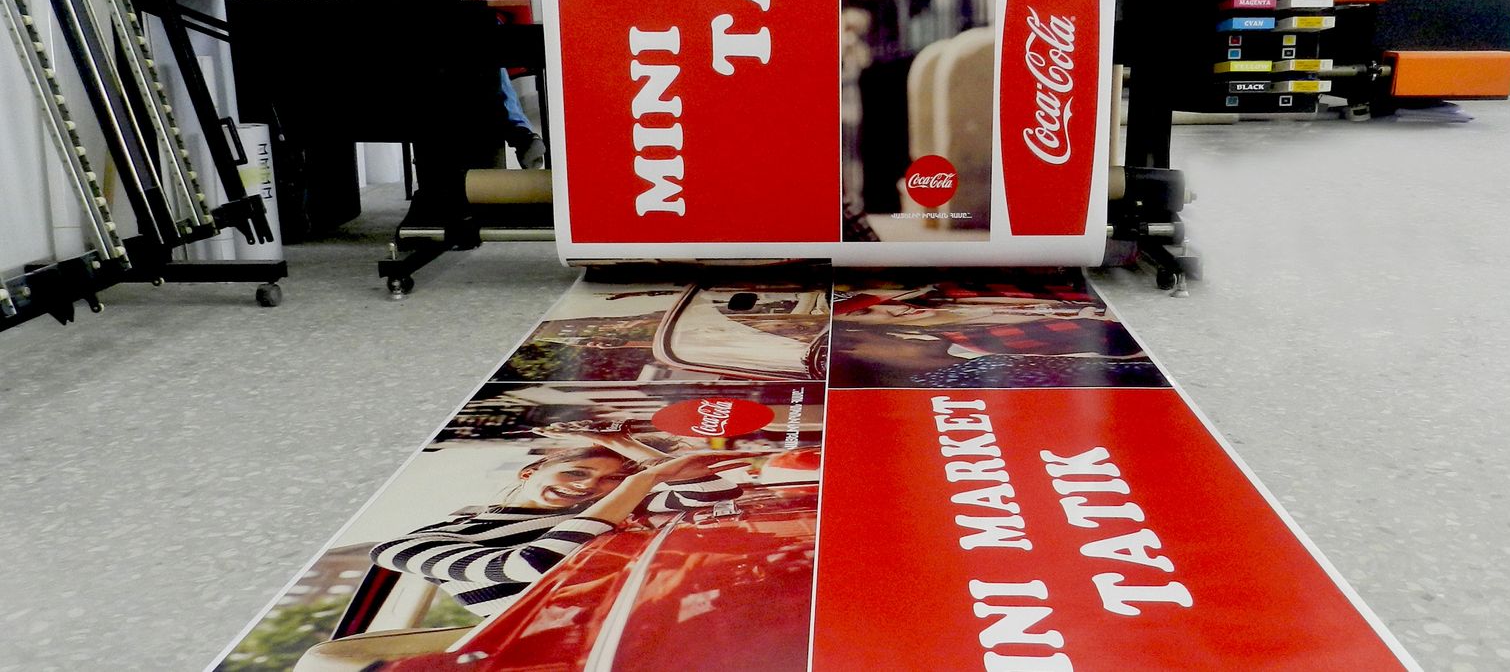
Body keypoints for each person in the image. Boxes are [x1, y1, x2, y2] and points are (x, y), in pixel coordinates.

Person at [370, 423, 756, 618]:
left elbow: (713, 494)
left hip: (677, 610)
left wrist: (626, 447)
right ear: (528, 473)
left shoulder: (604, 510)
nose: (589, 485)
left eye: (609, 480)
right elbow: (528, 564)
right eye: (575, 473)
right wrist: (640, 480)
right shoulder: (403, 547)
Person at [828, 282, 1167, 389]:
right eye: (867, 314)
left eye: (882, 303)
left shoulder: (960, 295)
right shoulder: (970, 357)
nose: (890, 309)